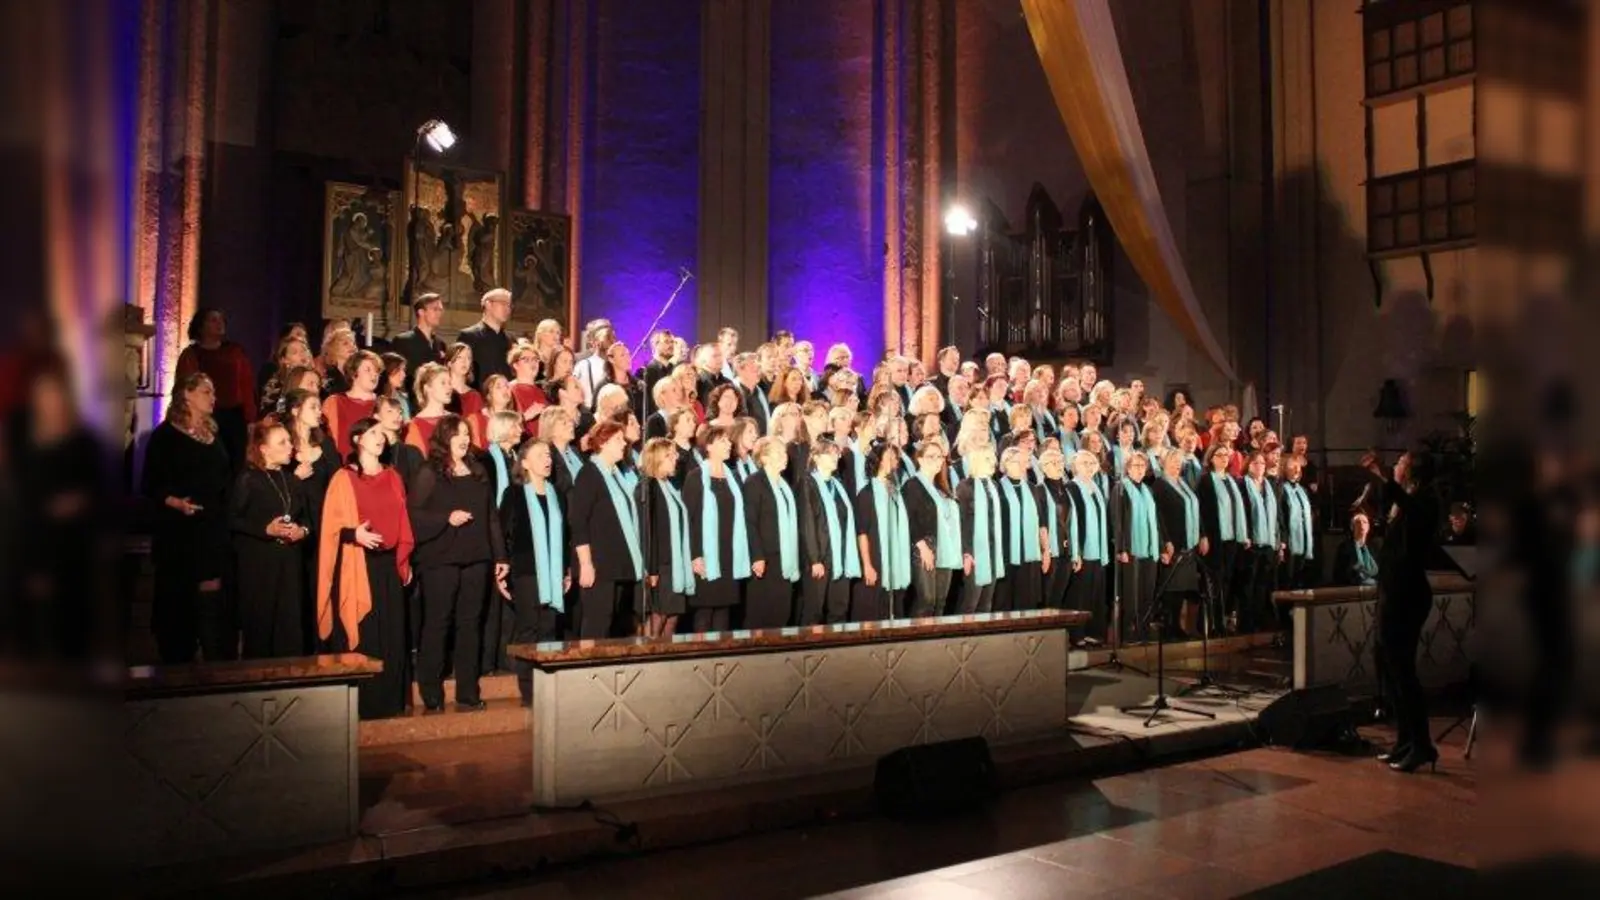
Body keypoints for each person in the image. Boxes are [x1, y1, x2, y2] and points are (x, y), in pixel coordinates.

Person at [317, 416, 416, 719]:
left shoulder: (393, 475)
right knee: (366, 631)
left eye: (381, 434)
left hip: (388, 564)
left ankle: (391, 703)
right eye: (373, 433)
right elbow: (332, 528)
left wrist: (404, 557)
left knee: (393, 633)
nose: (380, 438)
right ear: (358, 439)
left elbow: (403, 519)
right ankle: (365, 705)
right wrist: (354, 534)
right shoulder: (343, 478)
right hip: (358, 564)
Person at [409, 414, 506, 712]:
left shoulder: (477, 471)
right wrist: (445, 519)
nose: (464, 439)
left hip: (476, 558)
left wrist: (500, 556)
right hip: (441, 560)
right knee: (438, 624)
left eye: (467, 433)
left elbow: (491, 516)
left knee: (470, 625)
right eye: (457, 434)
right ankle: (431, 693)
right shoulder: (430, 472)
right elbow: (412, 515)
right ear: (444, 438)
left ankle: (467, 693)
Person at [142, 372, 234, 663]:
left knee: (211, 599)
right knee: (178, 598)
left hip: (211, 527)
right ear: (187, 395)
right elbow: (151, 483)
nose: (213, 397)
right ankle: (176, 661)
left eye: (213, 392)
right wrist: (176, 503)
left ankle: (213, 663)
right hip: (179, 530)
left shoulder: (214, 435)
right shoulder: (165, 436)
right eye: (206, 391)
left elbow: (223, 476)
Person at [1361, 450, 1441, 773]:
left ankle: (1422, 745)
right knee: (1390, 671)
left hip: (1408, 596)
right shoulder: (1405, 501)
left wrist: (1382, 476)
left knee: (1404, 672)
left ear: (1411, 472)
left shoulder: (1424, 500)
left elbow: (1413, 511)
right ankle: (1405, 741)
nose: (1396, 466)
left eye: (1401, 463)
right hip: (1393, 593)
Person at [230, 417, 312, 658]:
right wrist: (265, 530)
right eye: (283, 442)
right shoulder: (249, 479)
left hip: (289, 565)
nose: (291, 446)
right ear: (263, 449)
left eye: (289, 441)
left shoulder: (290, 480)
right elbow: (233, 519)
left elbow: (307, 519)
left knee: (290, 630)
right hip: (259, 568)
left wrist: (302, 531)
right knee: (261, 631)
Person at [501, 438, 571, 705]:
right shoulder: (515, 494)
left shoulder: (558, 495)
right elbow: (503, 532)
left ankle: (547, 688)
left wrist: (566, 570)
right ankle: (529, 691)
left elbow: (564, 537)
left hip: (553, 573)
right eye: (541, 455)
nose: (548, 459)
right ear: (525, 463)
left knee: (549, 630)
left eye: (549, 455)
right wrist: (503, 566)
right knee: (528, 631)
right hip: (527, 572)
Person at [569, 419, 643, 638]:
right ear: (602, 443)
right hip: (599, 565)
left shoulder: (616, 474)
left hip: (619, 563)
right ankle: (588, 671)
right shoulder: (589, 474)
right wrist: (585, 564)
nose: (624, 444)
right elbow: (579, 522)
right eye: (618, 439)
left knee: (616, 624)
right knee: (598, 622)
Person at [683, 424, 751, 632]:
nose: (728, 444)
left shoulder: (733, 478)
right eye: (722, 441)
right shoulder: (696, 477)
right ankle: (699, 661)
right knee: (705, 611)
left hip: (729, 554)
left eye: (728, 441)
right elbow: (689, 520)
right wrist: (695, 555)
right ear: (709, 446)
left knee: (724, 610)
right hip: (706, 554)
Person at [174, 308, 256, 470]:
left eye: (221, 320)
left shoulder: (235, 351)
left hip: (234, 417)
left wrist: (251, 419)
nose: (219, 324)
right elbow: (184, 388)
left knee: (236, 465)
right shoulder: (191, 354)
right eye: (213, 320)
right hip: (205, 416)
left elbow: (246, 385)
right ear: (200, 326)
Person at [636, 437, 695, 638]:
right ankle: (644, 661)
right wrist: (651, 569)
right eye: (670, 456)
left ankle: (665, 661)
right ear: (657, 458)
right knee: (658, 617)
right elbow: (647, 530)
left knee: (672, 616)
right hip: (659, 565)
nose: (675, 460)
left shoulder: (669, 487)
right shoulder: (647, 487)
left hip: (674, 563)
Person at [797, 439, 859, 625]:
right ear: (816, 457)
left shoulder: (838, 485)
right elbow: (807, 523)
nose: (835, 457)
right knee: (814, 611)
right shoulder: (808, 483)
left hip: (840, 556)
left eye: (836, 453)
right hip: (820, 557)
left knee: (839, 608)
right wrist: (815, 560)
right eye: (830, 453)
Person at [743, 436, 801, 628]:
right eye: (778, 453)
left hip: (784, 558)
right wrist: (757, 556)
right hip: (765, 558)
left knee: (781, 613)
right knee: (760, 614)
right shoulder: (754, 482)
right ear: (764, 457)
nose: (785, 457)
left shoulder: (784, 486)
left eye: (784, 453)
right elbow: (750, 522)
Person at [853, 441, 911, 621]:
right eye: (889, 457)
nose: (894, 461)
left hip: (897, 559)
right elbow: (862, 532)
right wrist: (867, 564)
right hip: (876, 557)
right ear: (877, 461)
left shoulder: (896, 491)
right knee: (875, 611)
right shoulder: (867, 493)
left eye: (895, 458)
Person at [902, 441, 961, 617]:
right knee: (926, 600)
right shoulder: (912, 485)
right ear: (920, 460)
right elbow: (910, 519)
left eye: (939, 457)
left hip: (945, 549)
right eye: (931, 456)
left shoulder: (942, 488)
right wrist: (923, 548)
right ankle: (916, 642)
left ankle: (936, 643)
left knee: (940, 601)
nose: (936, 460)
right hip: (924, 547)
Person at [1112, 452, 1163, 643]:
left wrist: (1161, 545)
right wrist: (1121, 548)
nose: (1140, 469)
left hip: (1149, 550)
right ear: (1127, 468)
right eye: (1135, 465)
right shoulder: (1120, 489)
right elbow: (1118, 521)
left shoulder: (1148, 490)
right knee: (1130, 594)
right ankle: (1128, 632)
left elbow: (1155, 521)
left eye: (1143, 465)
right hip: (1130, 549)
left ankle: (1144, 630)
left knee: (1146, 592)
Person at [1064, 449, 1111, 646]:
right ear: (1075, 467)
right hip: (1082, 549)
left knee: (1096, 593)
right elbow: (1071, 522)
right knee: (1080, 594)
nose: (1089, 467)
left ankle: (1094, 632)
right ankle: (1077, 634)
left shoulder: (1096, 487)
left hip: (1098, 551)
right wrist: (1076, 552)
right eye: (1084, 463)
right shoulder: (1072, 488)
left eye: (1092, 463)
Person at [996, 445, 1051, 612]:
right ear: (1005, 464)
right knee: (1004, 602)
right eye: (1016, 462)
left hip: (1030, 556)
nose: (1021, 466)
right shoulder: (997, 488)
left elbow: (1042, 523)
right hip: (1006, 555)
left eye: (1024, 462)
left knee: (1027, 602)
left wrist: (1046, 550)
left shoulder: (1033, 489)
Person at [955, 444, 1005, 614]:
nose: (993, 462)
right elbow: (961, 523)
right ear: (975, 461)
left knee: (986, 603)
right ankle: (961, 640)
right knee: (970, 602)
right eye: (987, 458)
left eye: (992, 458)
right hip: (974, 553)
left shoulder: (994, 486)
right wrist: (966, 553)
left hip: (992, 552)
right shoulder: (965, 486)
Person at [324, 350, 382, 459]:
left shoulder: (383, 404)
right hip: (343, 466)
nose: (374, 374)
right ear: (354, 374)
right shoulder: (335, 402)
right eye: (368, 370)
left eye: (377, 371)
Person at [390, 293, 448, 401]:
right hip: (411, 400)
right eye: (435, 309)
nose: (439, 313)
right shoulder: (403, 341)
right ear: (421, 312)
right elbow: (395, 373)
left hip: (434, 400)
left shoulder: (440, 344)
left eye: (441, 310)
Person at [456, 288, 515, 387]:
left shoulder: (511, 340)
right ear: (488, 304)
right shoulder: (469, 336)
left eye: (509, 305)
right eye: (503, 303)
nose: (507, 309)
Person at [1332, 511, 1379, 587]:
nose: (1361, 525)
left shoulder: (1373, 547)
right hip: (1351, 588)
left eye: (1365, 522)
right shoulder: (1345, 547)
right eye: (1358, 522)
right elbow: (1338, 575)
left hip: (1373, 587)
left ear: (1368, 527)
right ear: (1352, 527)